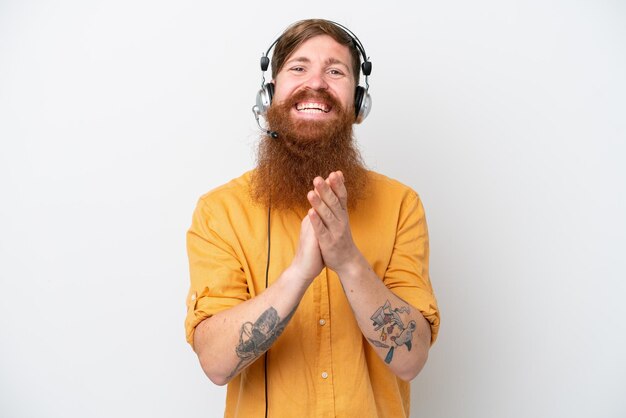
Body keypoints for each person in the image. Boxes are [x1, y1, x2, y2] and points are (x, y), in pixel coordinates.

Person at [185, 18, 440, 418]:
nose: (316, 83)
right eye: (298, 68)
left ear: (358, 104)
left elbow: (410, 360)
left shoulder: (400, 205)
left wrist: (348, 260)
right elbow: (216, 364)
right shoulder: (220, 211)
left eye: (335, 71)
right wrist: (299, 273)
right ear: (270, 94)